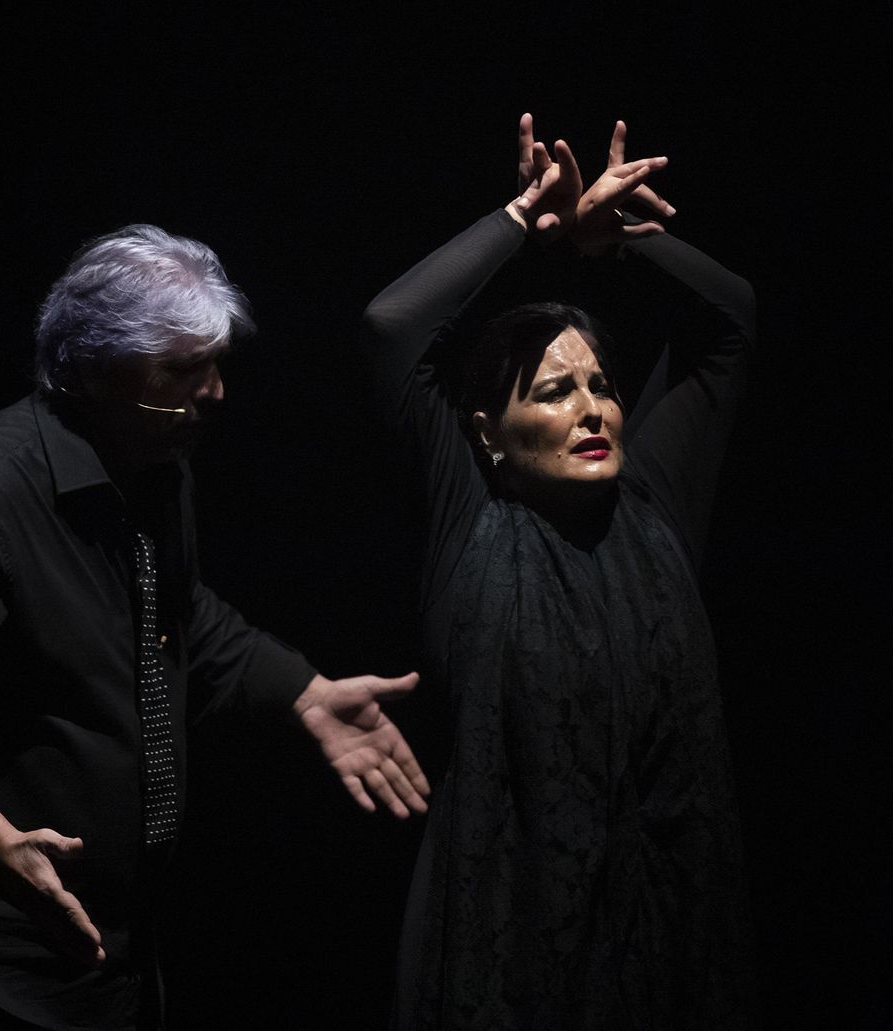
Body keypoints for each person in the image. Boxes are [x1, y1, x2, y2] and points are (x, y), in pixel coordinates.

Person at [0, 224, 430, 1030]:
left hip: (119, 955)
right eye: (182, 371)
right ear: (89, 368)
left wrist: (303, 692)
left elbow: (172, 614)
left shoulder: (155, 467)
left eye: (216, 364)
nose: (214, 392)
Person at [360, 116, 756, 1029]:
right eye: (552, 390)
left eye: (602, 385)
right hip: (508, 951)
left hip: (664, 944)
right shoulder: (470, 525)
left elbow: (731, 319)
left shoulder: (652, 508)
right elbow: (391, 328)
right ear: (488, 435)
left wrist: (616, 244)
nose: (592, 408)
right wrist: (523, 216)